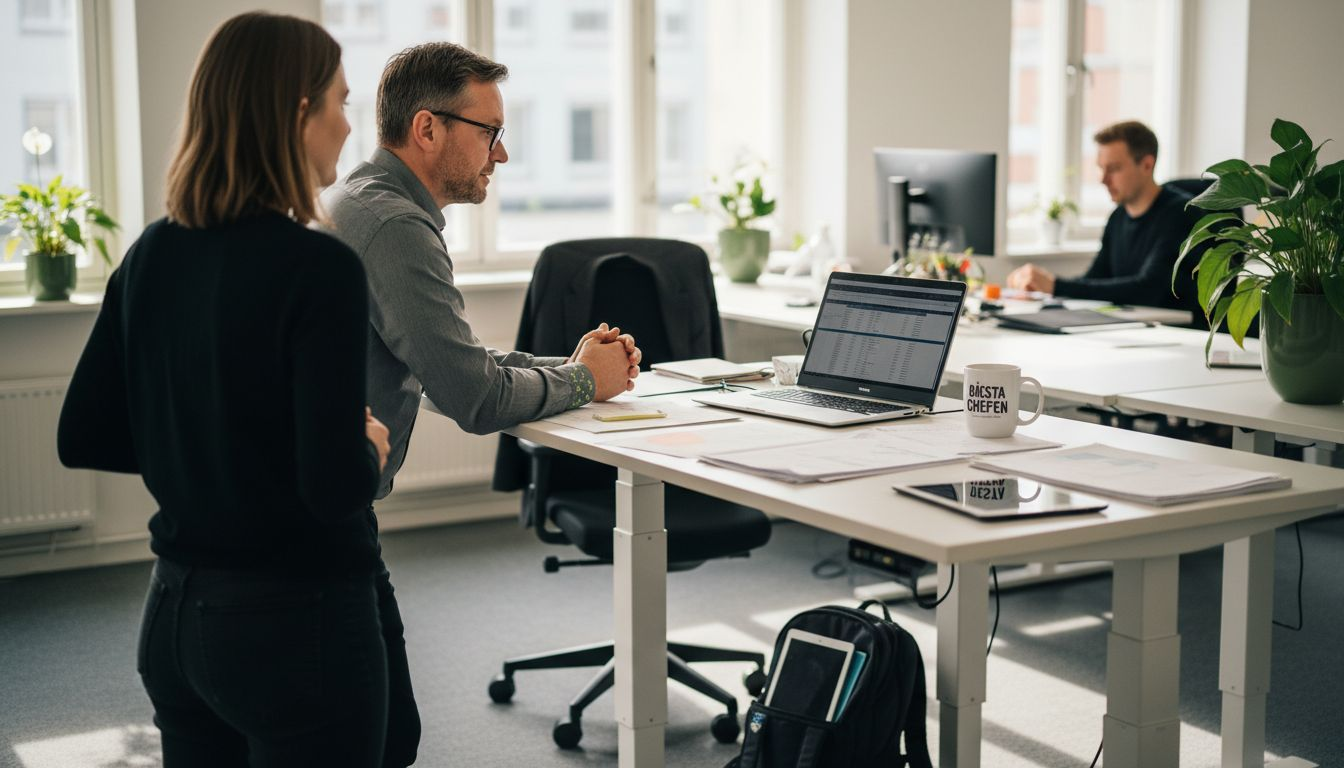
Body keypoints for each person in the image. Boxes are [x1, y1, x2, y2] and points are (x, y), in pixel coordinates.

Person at [57, 12, 395, 767]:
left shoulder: (151, 253)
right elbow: (334, 488)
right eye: (340, 102)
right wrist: (368, 445)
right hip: (296, 626)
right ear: (297, 112)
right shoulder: (319, 268)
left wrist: (210, 450)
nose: (349, 126)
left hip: (174, 618)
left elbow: (84, 435)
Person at [319, 42, 640, 762]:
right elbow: (471, 397)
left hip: (318, 509)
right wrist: (585, 382)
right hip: (326, 526)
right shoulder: (395, 227)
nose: (502, 153)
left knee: (378, 734)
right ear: (427, 128)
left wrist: (571, 367)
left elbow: (447, 362)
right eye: (489, 131)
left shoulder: (359, 200)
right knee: (384, 739)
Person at [1007, 120, 1199, 311]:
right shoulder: (1118, 217)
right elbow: (1095, 279)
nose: (1103, 179)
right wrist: (1043, 288)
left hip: (1174, 327)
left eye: (1113, 169)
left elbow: (1148, 290)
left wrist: (1055, 286)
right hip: (1134, 323)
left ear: (1147, 165)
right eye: (1101, 167)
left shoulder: (1181, 214)